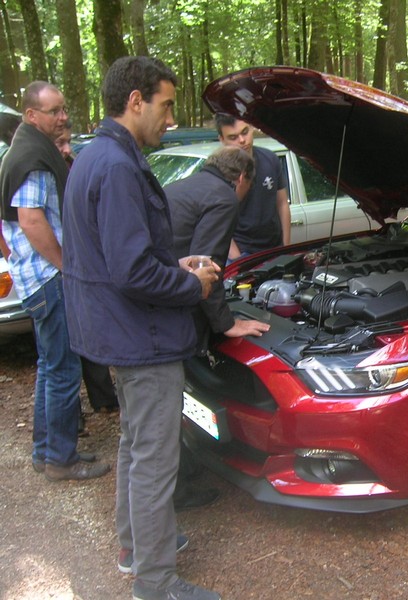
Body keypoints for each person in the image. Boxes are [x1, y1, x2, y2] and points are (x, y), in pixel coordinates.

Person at [61, 56, 221, 600]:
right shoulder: (118, 166)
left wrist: (174, 264)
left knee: (135, 444)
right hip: (140, 338)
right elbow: (131, 272)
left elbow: (118, 256)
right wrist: (192, 288)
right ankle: (156, 585)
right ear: (136, 101)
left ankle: (134, 546)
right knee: (155, 459)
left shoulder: (96, 156)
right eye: (166, 104)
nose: (170, 118)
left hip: (115, 331)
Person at [0, 82, 110, 482]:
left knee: (50, 366)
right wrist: (66, 265)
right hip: (48, 279)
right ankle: (61, 459)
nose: (63, 117)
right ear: (32, 116)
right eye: (54, 111)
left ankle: (45, 451)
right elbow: (31, 219)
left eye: (64, 109)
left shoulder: (25, 150)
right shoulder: (31, 157)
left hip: (35, 277)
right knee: (63, 368)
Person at [164, 145, 270, 512]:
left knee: (173, 393)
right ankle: (176, 489)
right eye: (249, 187)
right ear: (241, 178)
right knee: (171, 393)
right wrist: (228, 324)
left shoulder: (184, 186)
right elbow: (205, 270)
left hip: (154, 305)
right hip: (174, 313)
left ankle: (184, 461)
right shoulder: (223, 197)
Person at [55, 122, 120, 415]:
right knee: (65, 358)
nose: (67, 149)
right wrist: (64, 263)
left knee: (90, 344)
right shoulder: (47, 171)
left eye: (68, 143)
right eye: (60, 145)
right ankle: (73, 422)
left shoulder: (76, 166)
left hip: (81, 264)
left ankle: (104, 398)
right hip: (69, 268)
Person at [214, 113, 290, 260]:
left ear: (252, 127)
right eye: (233, 137)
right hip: (242, 255)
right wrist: (237, 258)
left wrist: (286, 248)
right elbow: (217, 221)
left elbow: (282, 204)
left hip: (274, 250)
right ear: (222, 140)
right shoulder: (217, 172)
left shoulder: (271, 159)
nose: (242, 140)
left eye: (245, 132)